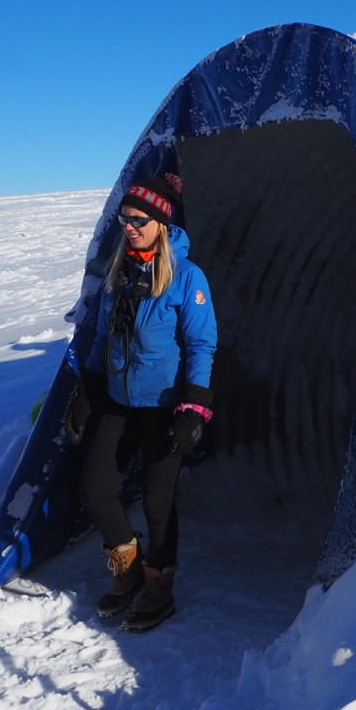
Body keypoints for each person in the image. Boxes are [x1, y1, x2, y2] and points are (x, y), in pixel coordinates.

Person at [64, 174, 217, 632]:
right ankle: (128, 571)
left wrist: (194, 407)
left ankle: (158, 584)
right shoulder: (120, 270)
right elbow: (100, 340)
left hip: (165, 404)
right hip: (118, 400)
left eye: (138, 219)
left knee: (157, 500)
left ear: (161, 223)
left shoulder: (186, 277)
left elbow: (202, 344)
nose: (128, 226)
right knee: (96, 488)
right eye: (123, 218)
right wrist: (87, 393)